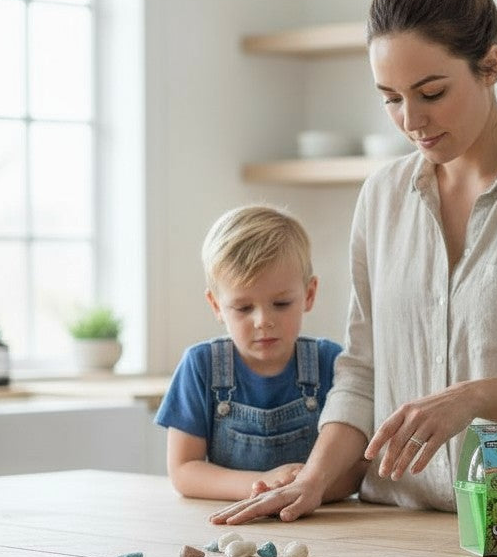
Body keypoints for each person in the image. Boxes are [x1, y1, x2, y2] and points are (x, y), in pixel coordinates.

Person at [211, 0, 497, 525]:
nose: (412, 120)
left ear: (490, 65)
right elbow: (362, 369)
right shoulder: (382, 196)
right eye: (391, 99)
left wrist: (472, 398)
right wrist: (313, 479)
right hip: (395, 525)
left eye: (431, 93)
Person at [155, 204, 361, 501]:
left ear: (309, 294)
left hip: (319, 521)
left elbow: (359, 469)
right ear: (216, 306)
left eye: (281, 304)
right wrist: (264, 485)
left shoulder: (329, 362)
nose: (263, 320)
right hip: (231, 525)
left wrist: (306, 488)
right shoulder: (201, 366)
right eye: (243, 308)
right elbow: (184, 471)